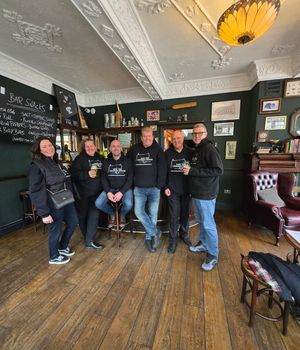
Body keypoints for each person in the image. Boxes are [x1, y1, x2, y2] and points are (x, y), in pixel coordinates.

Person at [28, 137, 78, 265]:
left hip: (66, 199)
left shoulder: (56, 162)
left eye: (50, 145)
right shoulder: (36, 166)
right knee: (55, 229)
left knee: (73, 222)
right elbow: (35, 191)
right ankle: (54, 256)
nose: (49, 148)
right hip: (52, 203)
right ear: (38, 150)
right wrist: (44, 213)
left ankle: (62, 246)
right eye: (44, 146)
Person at [183, 123, 223, 271]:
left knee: (208, 224)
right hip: (197, 193)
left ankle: (213, 254)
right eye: (194, 133)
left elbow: (218, 170)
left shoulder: (209, 148)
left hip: (206, 194)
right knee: (201, 221)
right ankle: (204, 244)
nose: (197, 136)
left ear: (206, 133)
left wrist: (192, 171)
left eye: (199, 133)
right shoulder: (197, 149)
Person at [127, 127, 167, 253]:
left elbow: (163, 168)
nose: (147, 138)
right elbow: (127, 165)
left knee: (152, 215)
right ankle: (155, 232)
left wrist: (159, 185)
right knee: (139, 212)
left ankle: (150, 238)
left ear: (152, 136)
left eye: (149, 136)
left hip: (154, 189)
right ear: (141, 137)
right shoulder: (134, 150)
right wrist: (132, 183)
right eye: (145, 136)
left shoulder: (158, 149)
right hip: (139, 189)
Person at [71, 139, 105, 250]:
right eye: (87, 146)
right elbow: (74, 175)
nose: (90, 148)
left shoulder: (100, 158)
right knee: (83, 216)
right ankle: (87, 237)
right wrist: (87, 174)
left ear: (95, 146)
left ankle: (89, 240)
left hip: (97, 193)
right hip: (82, 194)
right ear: (84, 148)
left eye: (92, 146)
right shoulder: (79, 159)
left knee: (94, 215)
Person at [164, 130, 192, 254]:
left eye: (178, 138)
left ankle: (184, 235)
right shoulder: (167, 153)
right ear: (171, 140)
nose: (176, 141)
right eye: (174, 139)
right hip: (173, 191)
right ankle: (173, 240)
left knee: (185, 215)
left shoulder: (190, 152)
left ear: (183, 138)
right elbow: (163, 172)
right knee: (174, 217)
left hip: (187, 190)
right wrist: (165, 187)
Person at [95, 140, 133, 228]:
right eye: (113, 146)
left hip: (125, 189)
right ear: (110, 148)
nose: (116, 148)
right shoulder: (105, 161)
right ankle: (112, 214)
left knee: (129, 204)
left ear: (121, 148)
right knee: (98, 203)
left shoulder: (128, 161)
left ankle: (122, 215)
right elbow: (103, 178)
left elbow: (130, 179)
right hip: (110, 188)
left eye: (118, 146)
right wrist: (108, 192)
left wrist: (122, 192)